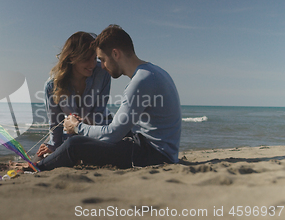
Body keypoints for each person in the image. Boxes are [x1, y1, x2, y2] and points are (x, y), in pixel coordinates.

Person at [35, 25, 181, 171]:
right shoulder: (151, 72)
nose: (101, 66)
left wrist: (77, 127)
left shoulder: (140, 82)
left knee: (74, 145)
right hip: (152, 147)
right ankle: (39, 163)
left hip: (154, 154)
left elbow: (113, 134)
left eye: (102, 59)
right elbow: (120, 128)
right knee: (80, 142)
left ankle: (35, 169)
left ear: (115, 54)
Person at [36, 31, 112, 158]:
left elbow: (99, 115)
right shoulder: (52, 85)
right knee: (38, 159)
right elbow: (55, 123)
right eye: (86, 59)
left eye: (94, 58)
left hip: (97, 132)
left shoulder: (102, 74)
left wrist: (80, 123)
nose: (92, 64)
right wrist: (54, 146)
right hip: (69, 135)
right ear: (72, 57)